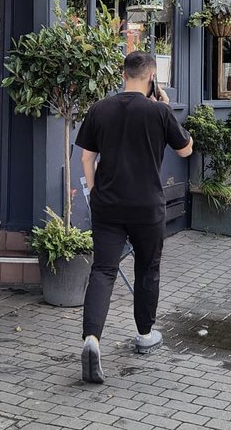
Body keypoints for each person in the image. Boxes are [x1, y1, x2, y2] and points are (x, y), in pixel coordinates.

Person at [74, 51, 193, 384]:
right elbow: (186, 149)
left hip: (108, 206)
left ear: (123, 74)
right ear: (152, 75)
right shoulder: (158, 111)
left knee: (103, 269)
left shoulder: (100, 109)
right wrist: (166, 109)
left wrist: (97, 191)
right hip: (147, 207)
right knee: (148, 268)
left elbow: (86, 159)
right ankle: (144, 334)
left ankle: (91, 340)